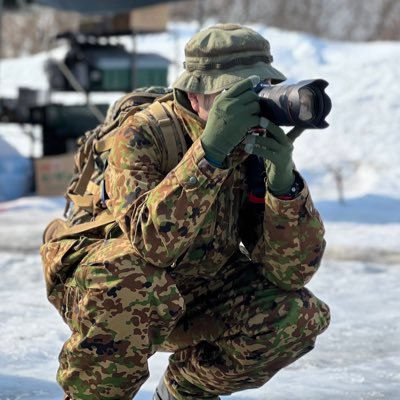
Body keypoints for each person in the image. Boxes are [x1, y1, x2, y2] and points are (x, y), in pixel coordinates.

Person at [43, 24, 330, 400]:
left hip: (193, 281)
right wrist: (210, 154)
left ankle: (182, 392)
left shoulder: (252, 145)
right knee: (136, 284)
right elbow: (151, 245)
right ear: (196, 97)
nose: (249, 106)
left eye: (258, 89)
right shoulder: (144, 134)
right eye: (233, 93)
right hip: (103, 283)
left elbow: (291, 273)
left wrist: (283, 186)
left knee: (296, 315)